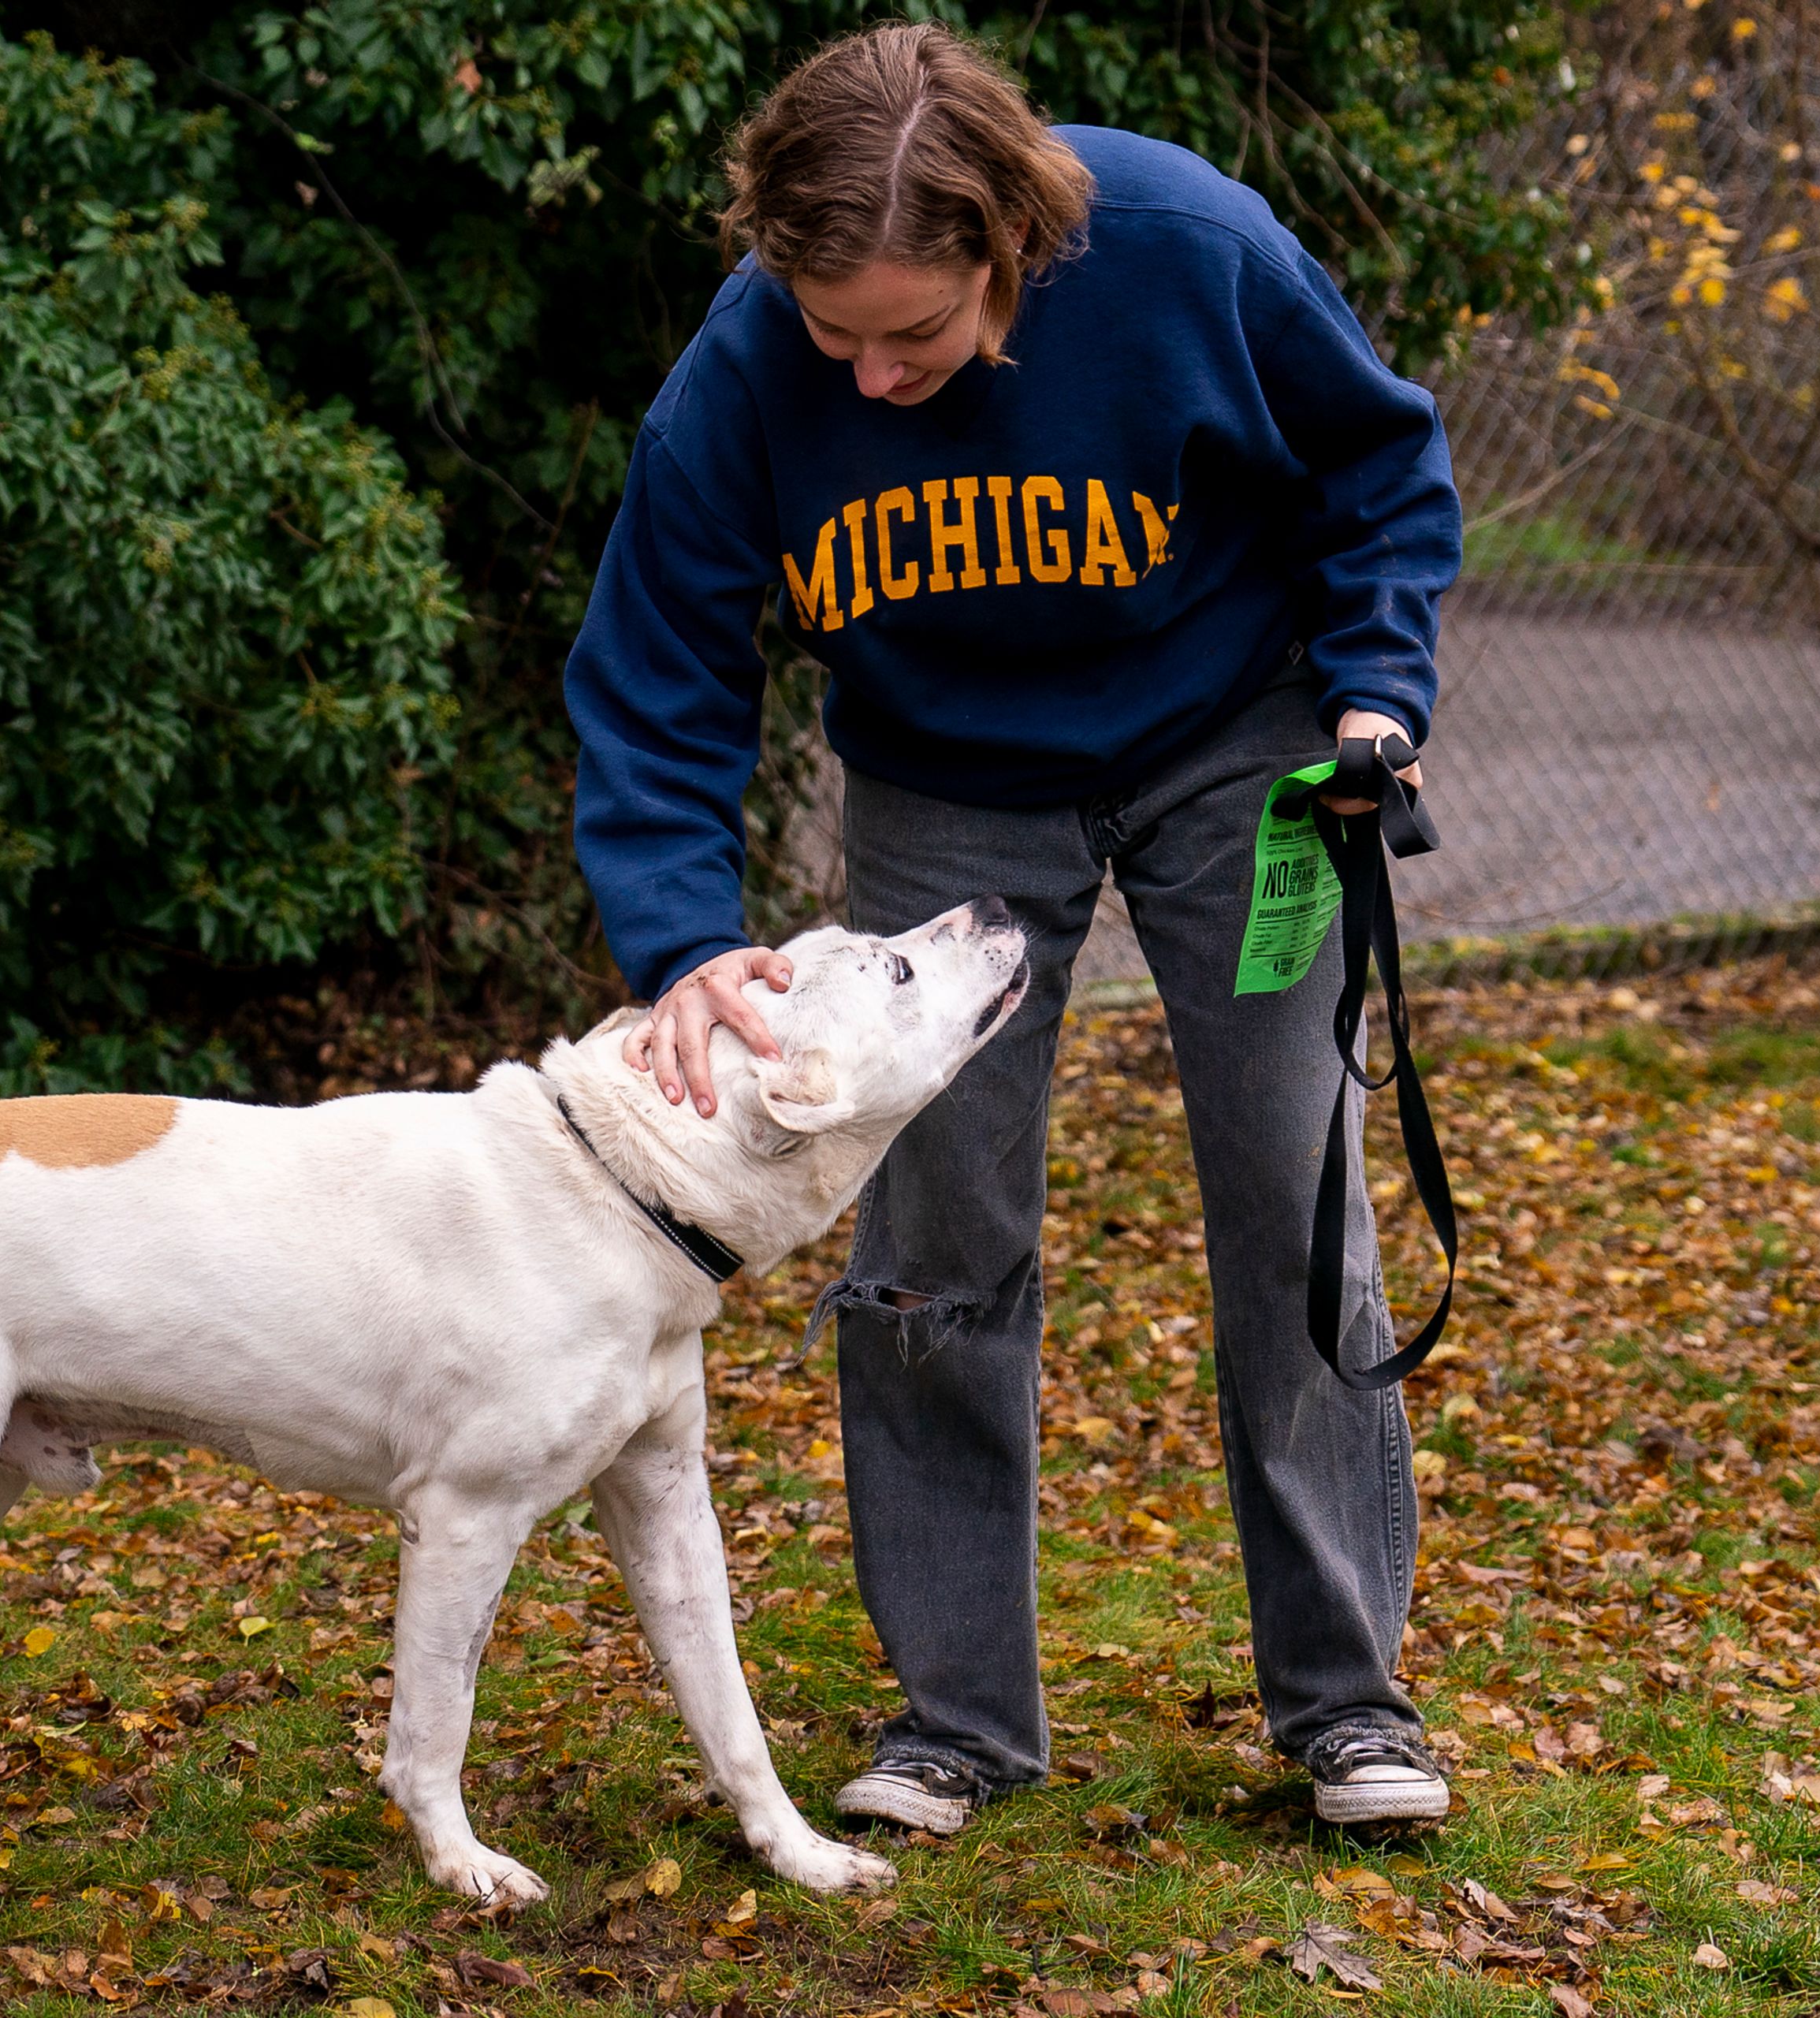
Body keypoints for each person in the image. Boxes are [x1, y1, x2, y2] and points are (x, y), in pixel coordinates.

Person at [562, 20, 1457, 1833]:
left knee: (1294, 1204)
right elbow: (655, 677)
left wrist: (1376, 680)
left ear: (1009, 249)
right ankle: (954, 1715)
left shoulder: (1187, 249)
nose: (875, 375)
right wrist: (681, 938)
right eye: (839, 334)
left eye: (915, 331)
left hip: (1238, 747)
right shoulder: (747, 369)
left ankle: (1350, 1703)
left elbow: (1382, 471)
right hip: (947, 780)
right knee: (931, 1240)